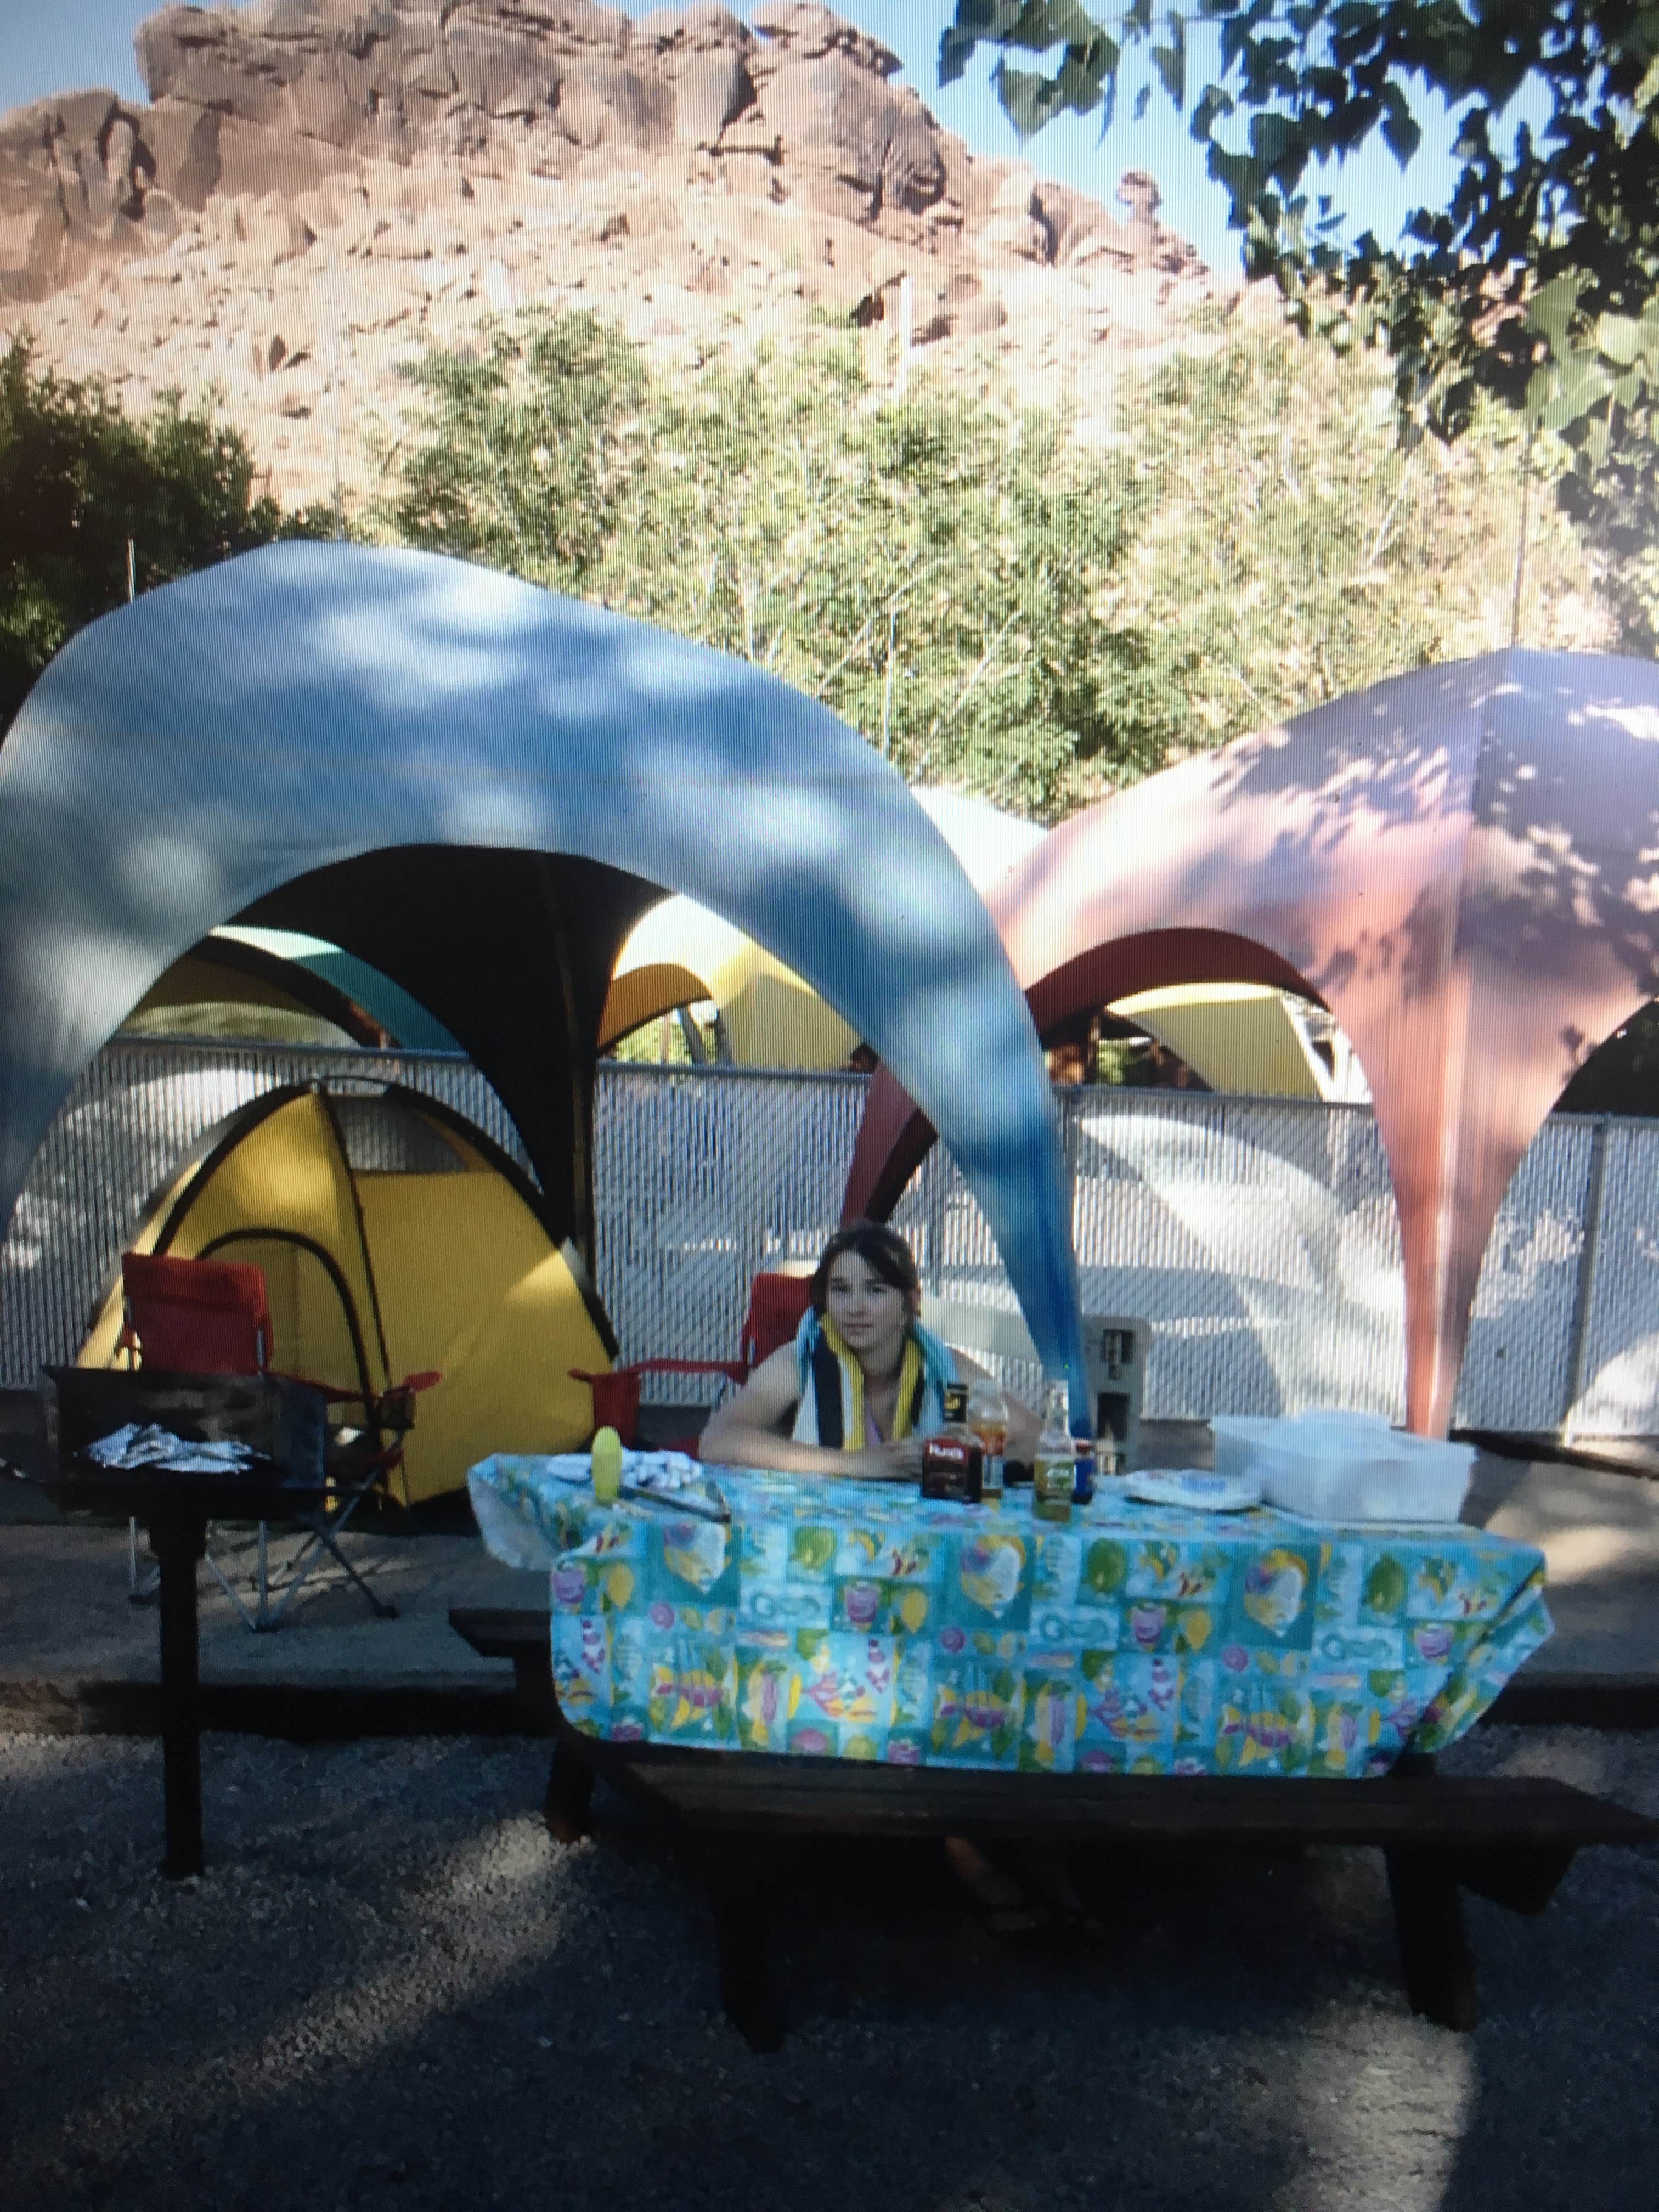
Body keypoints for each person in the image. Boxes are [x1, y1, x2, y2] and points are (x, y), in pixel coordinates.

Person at [699, 1219, 1040, 1480]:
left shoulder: (947, 1371)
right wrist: (862, 1464)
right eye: (840, 1290)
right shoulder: (799, 1362)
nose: (854, 1308)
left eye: (875, 1290)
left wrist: (965, 1456)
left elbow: (1038, 1441)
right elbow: (717, 1440)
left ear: (911, 1303)